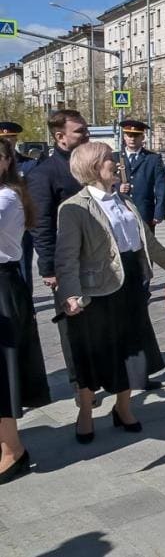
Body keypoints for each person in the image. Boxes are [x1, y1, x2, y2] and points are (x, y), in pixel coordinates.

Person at [55, 142, 165, 443]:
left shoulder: (125, 202)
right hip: (97, 292)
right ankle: (85, 413)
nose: (115, 163)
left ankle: (123, 408)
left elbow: (145, 241)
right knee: (93, 355)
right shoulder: (75, 207)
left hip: (130, 285)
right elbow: (66, 257)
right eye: (109, 159)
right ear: (93, 167)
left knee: (131, 351)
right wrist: (70, 294)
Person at [26, 110, 89, 398]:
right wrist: (48, 268)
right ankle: (80, 383)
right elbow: (41, 224)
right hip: (66, 263)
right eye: (79, 131)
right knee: (73, 322)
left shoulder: (87, 166)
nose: (85, 135)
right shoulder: (45, 173)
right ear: (60, 136)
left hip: (95, 258)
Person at [0, 138, 50, 484]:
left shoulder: (7, 197)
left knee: (2, 375)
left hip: (2, 289)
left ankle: (12, 450)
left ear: (6, 162)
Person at [0, 122, 38, 288]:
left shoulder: (29, 164)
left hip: (20, 224)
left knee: (23, 267)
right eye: (4, 139)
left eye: (11, 138)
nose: (8, 142)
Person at [114, 120, 165, 231]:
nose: (132, 139)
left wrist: (159, 213)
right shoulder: (114, 157)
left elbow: (161, 187)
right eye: (129, 135)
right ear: (124, 136)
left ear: (142, 137)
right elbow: (104, 182)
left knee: (146, 246)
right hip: (119, 211)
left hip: (144, 213)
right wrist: (118, 187)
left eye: (136, 135)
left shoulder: (153, 159)